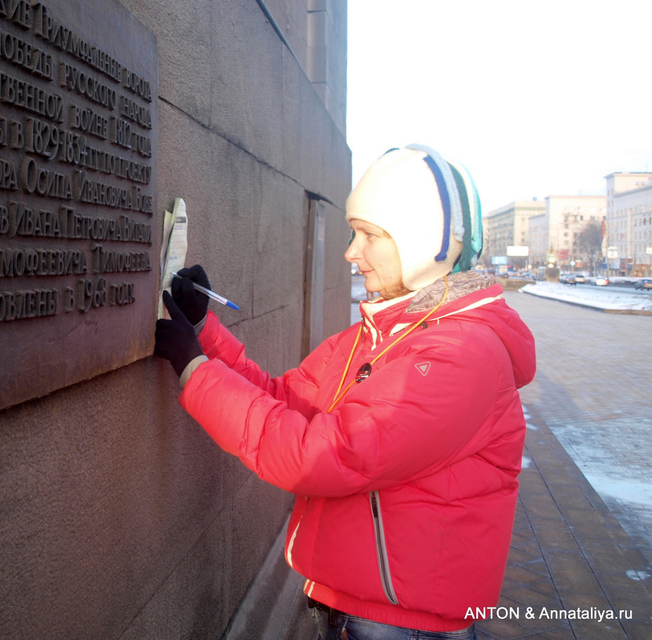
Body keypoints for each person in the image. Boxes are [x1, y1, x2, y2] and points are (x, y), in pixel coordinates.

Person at [154, 145, 536, 640]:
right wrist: (203, 332)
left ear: (425, 239)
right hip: (357, 607)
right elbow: (285, 400)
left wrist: (195, 372)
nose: (351, 252)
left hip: (402, 626)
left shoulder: (460, 353)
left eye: (369, 235)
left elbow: (324, 454)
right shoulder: (381, 333)